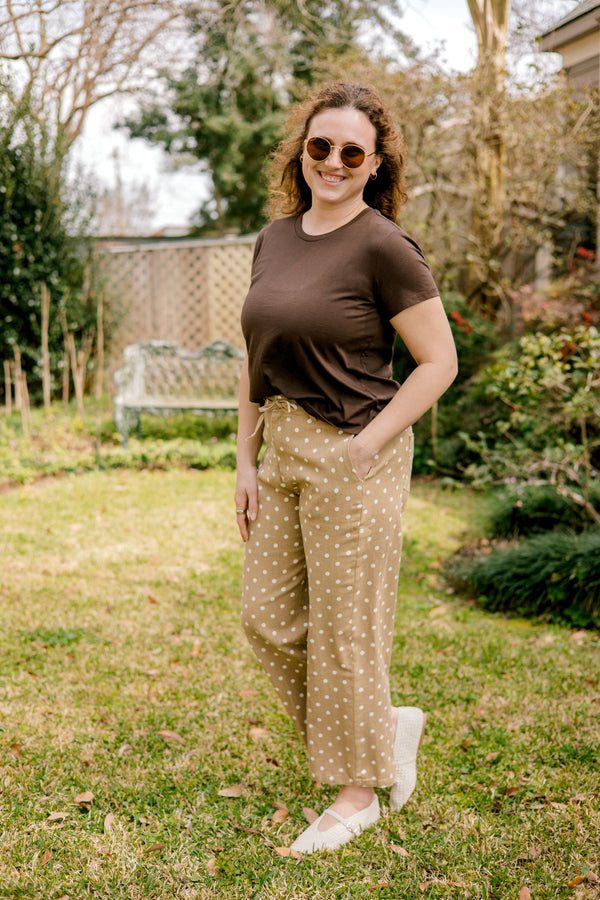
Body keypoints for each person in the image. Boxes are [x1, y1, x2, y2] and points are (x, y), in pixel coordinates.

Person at [234, 81, 457, 854]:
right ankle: (383, 729)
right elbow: (254, 359)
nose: (332, 161)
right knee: (266, 620)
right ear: (302, 151)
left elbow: (439, 361)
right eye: (320, 146)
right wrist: (244, 458)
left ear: (375, 163)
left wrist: (370, 441)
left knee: (344, 630)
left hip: (357, 448)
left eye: (351, 152)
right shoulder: (274, 238)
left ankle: (358, 792)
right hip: (283, 443)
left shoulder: (383, 246)